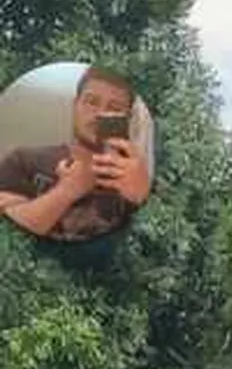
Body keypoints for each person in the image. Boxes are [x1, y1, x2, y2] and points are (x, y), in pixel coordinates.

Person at [0, 66, 151, 242]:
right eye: (91, 101)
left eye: (115, 108)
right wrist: (67, 191)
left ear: (127, 118)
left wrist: (142, 196)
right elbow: (11, 235)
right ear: (75, 105)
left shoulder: (137, 178)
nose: (100, 114)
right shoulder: (23, 160)